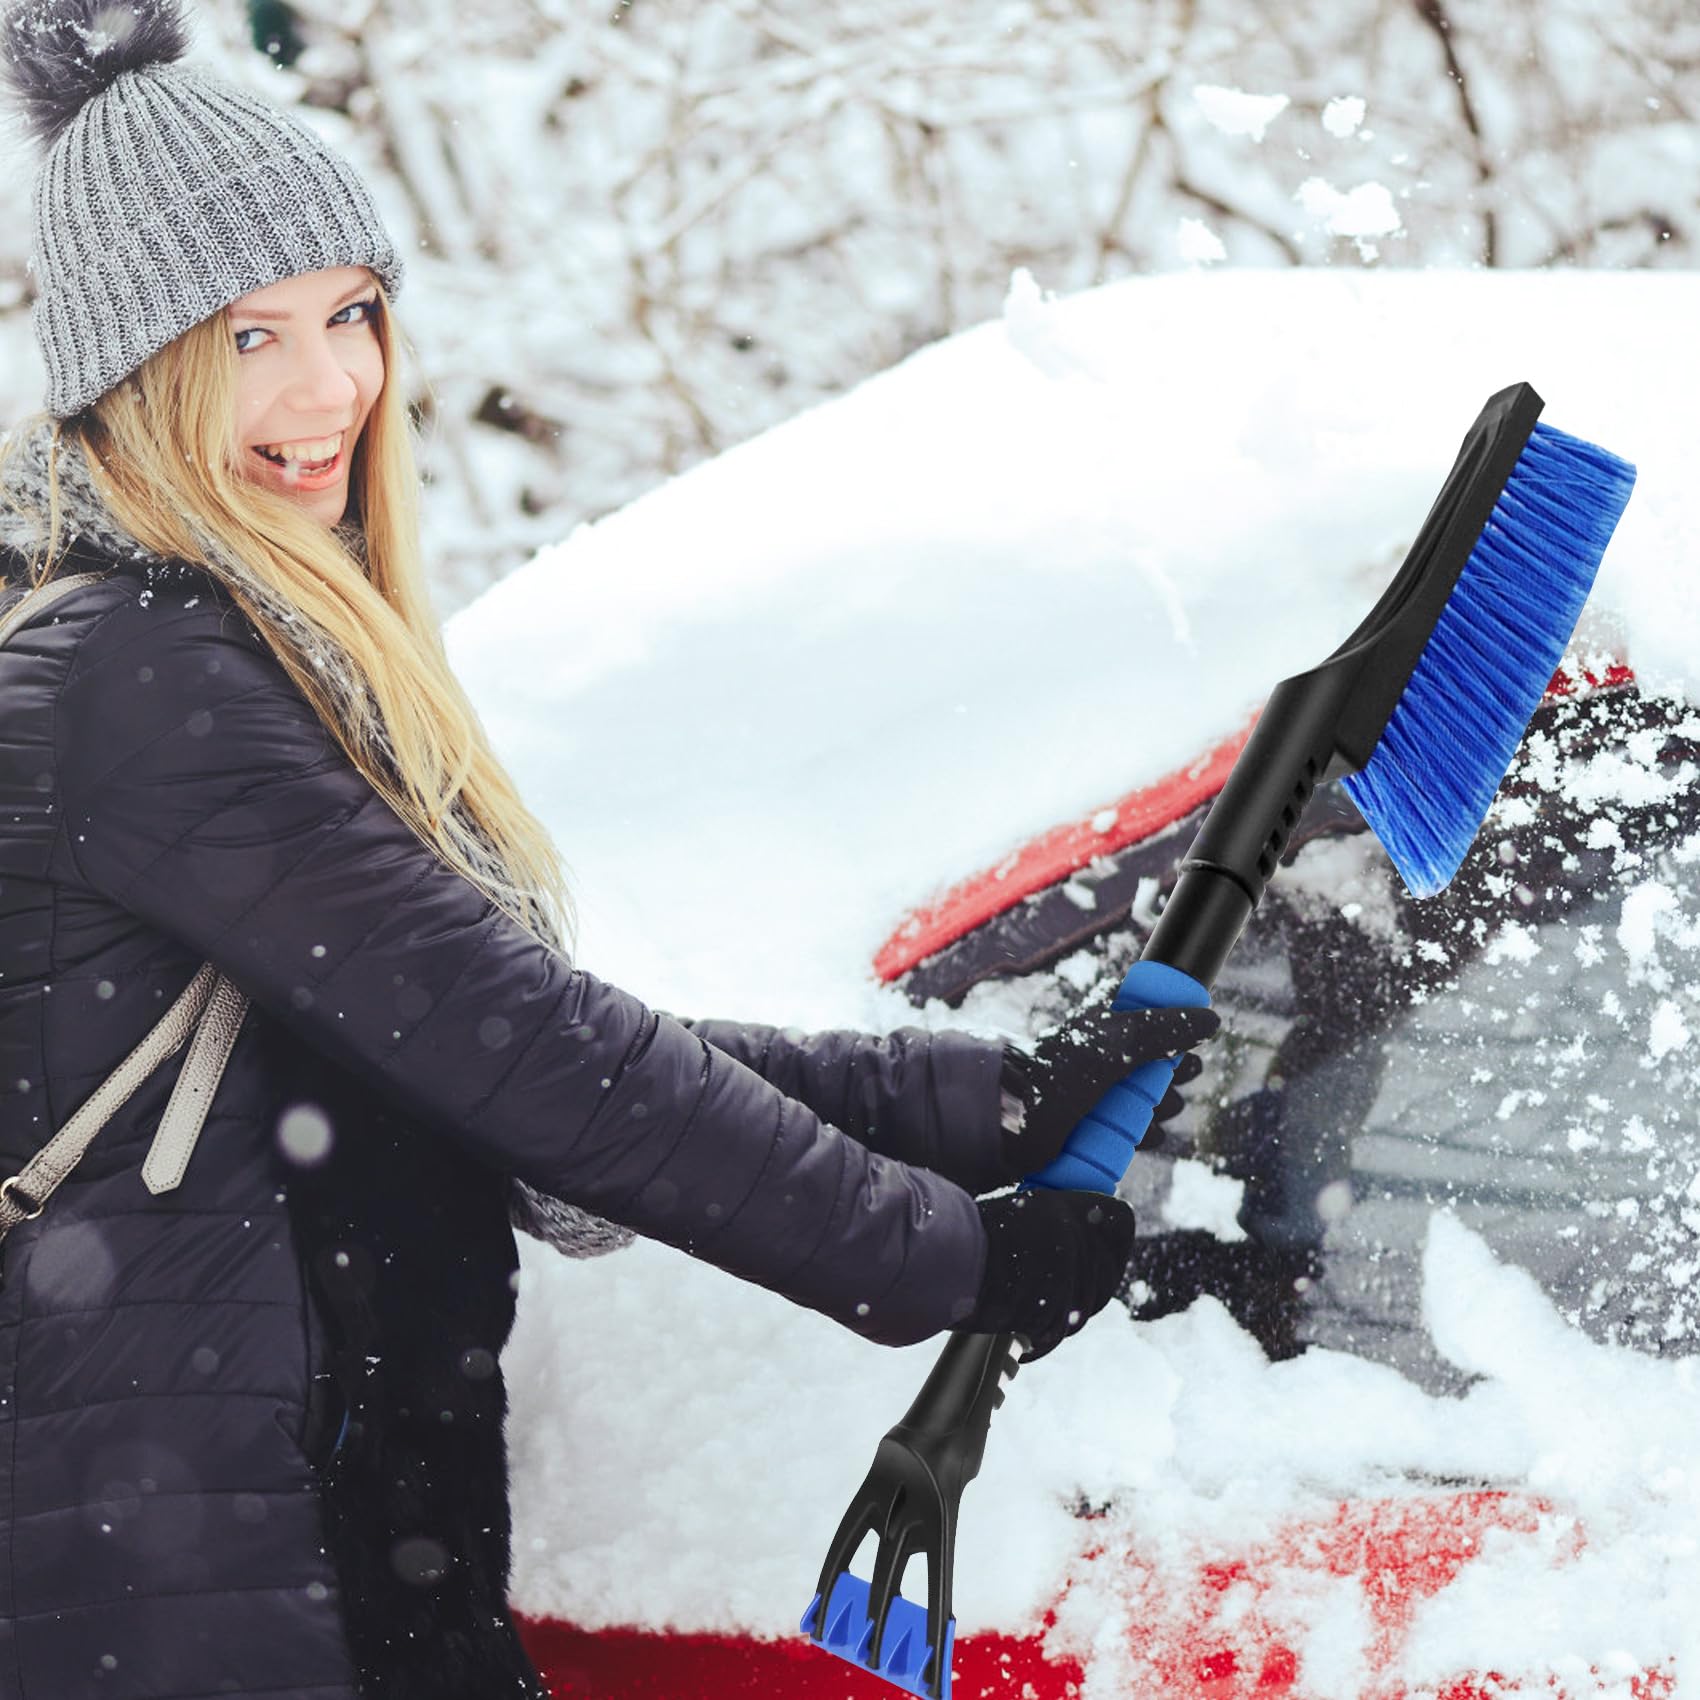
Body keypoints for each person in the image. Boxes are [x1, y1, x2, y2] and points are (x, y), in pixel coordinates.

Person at [0, 3, 1218, 1697]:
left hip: (318, 1561)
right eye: (244, 338)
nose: (326, 386)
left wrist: (964, 1107)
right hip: (210, 1600)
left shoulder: (230, 652)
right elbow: (526, 1048)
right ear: (131, 373)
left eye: (348, 316)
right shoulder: (133, 677)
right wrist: (944, 1258)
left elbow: (462, 1045)